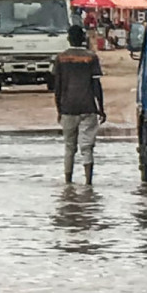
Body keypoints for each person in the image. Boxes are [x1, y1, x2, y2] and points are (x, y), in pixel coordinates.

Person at [53, 25, 105, 186]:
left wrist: (59, 109)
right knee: (87, 146)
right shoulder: (91, 57)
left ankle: (68, 182)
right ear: (83, 39)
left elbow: (57, 87)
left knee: (69, 147)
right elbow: (96, 85)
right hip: (88, 107)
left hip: (68, 108)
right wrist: (101, 108)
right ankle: (88, 183)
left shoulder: (60, 58)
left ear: (69, 38)